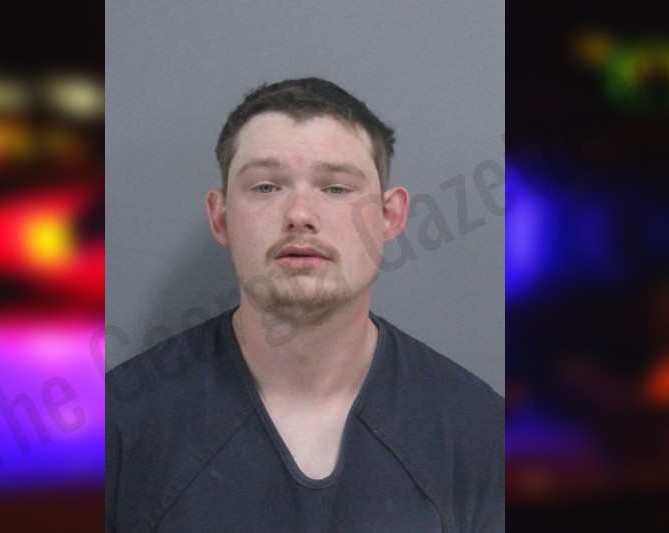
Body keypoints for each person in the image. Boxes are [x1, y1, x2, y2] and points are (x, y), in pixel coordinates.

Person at [106, 77, 503, 532]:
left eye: (336, 188)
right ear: (221, 217)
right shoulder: (118, 427)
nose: (300, 214)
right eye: (266, 187)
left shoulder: (481, 434)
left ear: (390, 216)